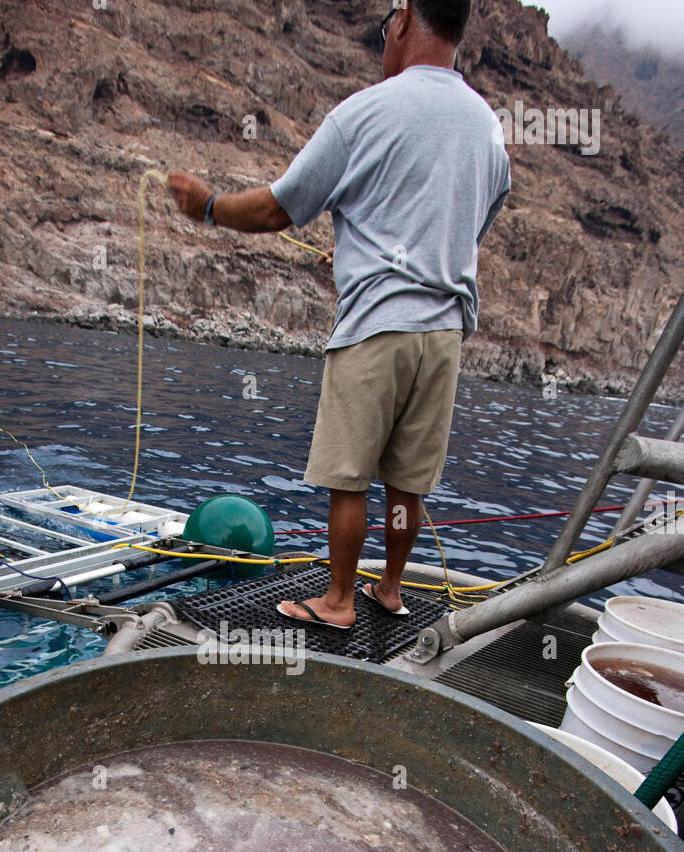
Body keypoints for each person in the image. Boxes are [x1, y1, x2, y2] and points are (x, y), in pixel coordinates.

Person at [168, 0, 510, 631]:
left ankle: (338, 602)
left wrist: (209, 206)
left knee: (347, 479)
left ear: (404, 20)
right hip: (444, 338)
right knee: (407, 485)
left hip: (377, 328)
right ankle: (390, 590)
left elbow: (278, 208)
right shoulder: (488, 128)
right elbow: (467, 225)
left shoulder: (365, 111)